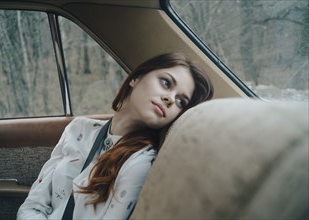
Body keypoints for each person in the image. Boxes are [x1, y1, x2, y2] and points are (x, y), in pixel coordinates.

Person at [17, 52, 214, 219]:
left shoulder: (141, 162)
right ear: (135, 78)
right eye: (166, 83)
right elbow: (34, 204)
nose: (170, 99)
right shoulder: (78, 128)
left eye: (181, 101)